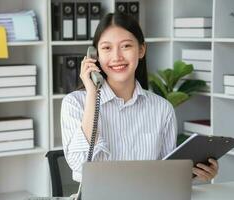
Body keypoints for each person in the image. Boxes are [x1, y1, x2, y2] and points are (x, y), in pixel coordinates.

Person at [61, 12, 218, 183]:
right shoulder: (75, 103)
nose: (116, 57)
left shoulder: (162, 109)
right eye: (106, 48)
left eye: (126, 46)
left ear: (141, 50)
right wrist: (92, 94)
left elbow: (167, 176)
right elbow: (79, 164)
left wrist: (196, 173)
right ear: (95, 56)